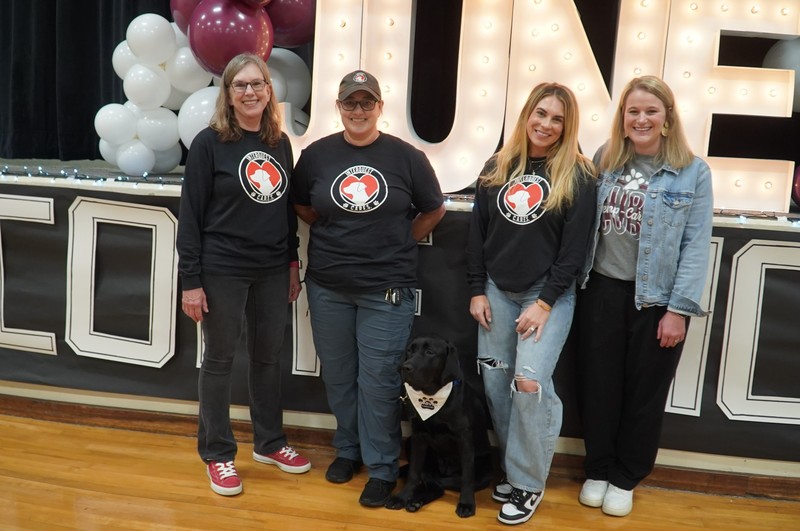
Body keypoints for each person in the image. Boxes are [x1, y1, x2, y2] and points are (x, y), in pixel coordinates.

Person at [291, 70, 446, 507]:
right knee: (340, 376)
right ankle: (349, 449)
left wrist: (399, 241)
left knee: (378, 382)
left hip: (386, 289)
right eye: (350, 103)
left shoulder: (406, 157)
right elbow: (302, 204)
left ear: (380, 106)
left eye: (366, 102)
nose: (358, 110)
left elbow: (433, 209)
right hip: (328, 286)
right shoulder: (316, 156)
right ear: (338, 107)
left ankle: (381, 467)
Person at [576, 75, 713, 517]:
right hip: (600, 290)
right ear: (623, 116)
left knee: (644, 395)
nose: (641, 119)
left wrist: (678, 311)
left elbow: (696, 246)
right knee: (598, 388)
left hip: (656, 302)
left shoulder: (693, 171)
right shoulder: (606, 158)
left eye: (651, 111)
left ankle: (625, 477)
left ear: (667, 117)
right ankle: (598, 469)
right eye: (633, 111)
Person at [176, 53, 310, 497]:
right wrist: (191, 281)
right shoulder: (208, 144)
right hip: (222, 268)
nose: (250, 92)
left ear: (269, 90)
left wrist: (291, 263)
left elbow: (284, 212)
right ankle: (217, 454)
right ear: (228, 94)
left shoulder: (279, 143)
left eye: (257, 84)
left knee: (268, 358)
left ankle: (269, 442)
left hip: (272, 269)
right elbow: (190, 218)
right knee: (219, 360)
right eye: (241, 85)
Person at [467, 82, 596, 525]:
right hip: (496, 290)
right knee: (495, 381)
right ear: (527, 114)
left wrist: (544, 302)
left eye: (557, 118)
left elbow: (574, 251)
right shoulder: (498, 165)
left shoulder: (578, 174)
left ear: (567, 126)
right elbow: (477, 233)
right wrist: (477, 289)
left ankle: (528, 483)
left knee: (529, 382)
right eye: (541, 113)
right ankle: (513, 468)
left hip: (547, 295)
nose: (546, 124)